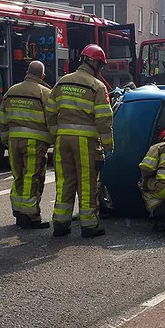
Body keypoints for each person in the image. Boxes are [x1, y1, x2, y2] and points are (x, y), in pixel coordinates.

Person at [45, 44, 113, 237]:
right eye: (100, 65)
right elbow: (104, 119)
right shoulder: (97, 86)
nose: (100, 70)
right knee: (86, 184)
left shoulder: (62, 82)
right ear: (94, 63)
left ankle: (60, 224)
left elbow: (50, 111)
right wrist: (108, 145)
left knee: (65, 182)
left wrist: (55, 134)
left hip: (62, 142)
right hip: (84, 143)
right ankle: (89, 226)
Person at [0, 60, 52, 229]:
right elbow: (51, 119)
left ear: (27, 72)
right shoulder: (44, 93)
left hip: (14, 141)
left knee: (18, 176)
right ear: (42, 75)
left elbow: (2, 119)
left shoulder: (11, 91)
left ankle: (18, 212)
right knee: (32, 177)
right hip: (35, 142)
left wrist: (6, 140)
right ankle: (30, 216)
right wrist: (52, 140)